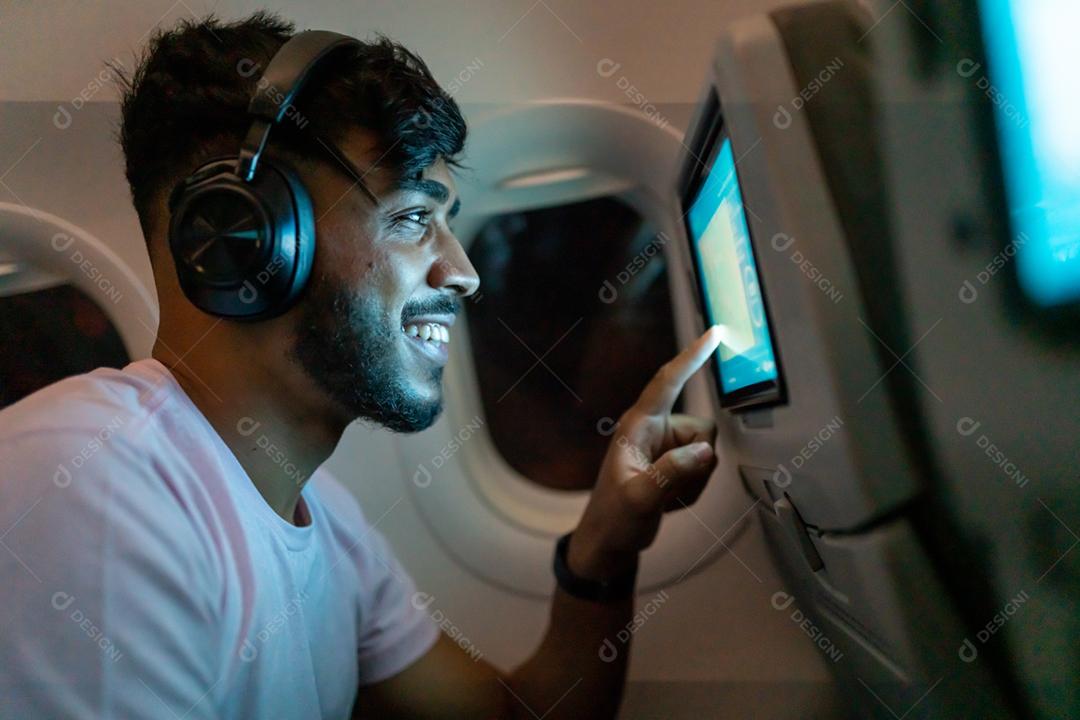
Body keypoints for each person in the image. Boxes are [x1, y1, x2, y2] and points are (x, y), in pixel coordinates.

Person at [0, 11, 721, 719]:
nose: (464, 272)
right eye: (411, 219)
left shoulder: (331, 529)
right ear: (243, 240)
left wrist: (603, 545)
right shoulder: (93, 482)